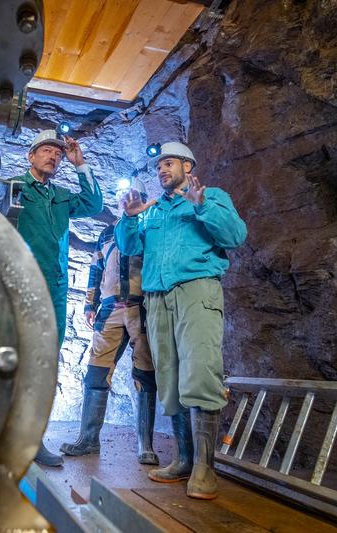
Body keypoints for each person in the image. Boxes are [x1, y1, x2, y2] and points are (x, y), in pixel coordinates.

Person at [115, 142, 246, 499]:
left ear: (188, 166)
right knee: (169, 378)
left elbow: (235, 236)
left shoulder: (212, 196)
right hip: (157, 299)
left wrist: (202, 206)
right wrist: (128, 217)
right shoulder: (153, 210)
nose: (162, 170)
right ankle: (184, 459)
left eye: (169, 163)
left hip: (196, 291)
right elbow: (128, 247)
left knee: (201, 372)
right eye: (159, 166)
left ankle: (205, 468)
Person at [13, 129, 103, 467]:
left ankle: (33, 441)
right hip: (22, 283)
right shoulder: (15, 188)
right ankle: (4, 436)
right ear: (31, 156)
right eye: (46, 151)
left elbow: (94, 204)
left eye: (58, 154)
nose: (53, 156)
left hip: (56, 287)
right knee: (16, 359)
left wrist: (81, 165)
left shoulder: (62, 196)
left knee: (45, 364)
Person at [60, 202, 159, 465]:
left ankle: (145, 445)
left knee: (145, 374)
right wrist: (89, 304)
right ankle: (88, 439)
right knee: (96, 372)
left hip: (142, 307)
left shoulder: (150, 229)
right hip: (110, 308)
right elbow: (96, 269)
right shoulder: (106, 233)